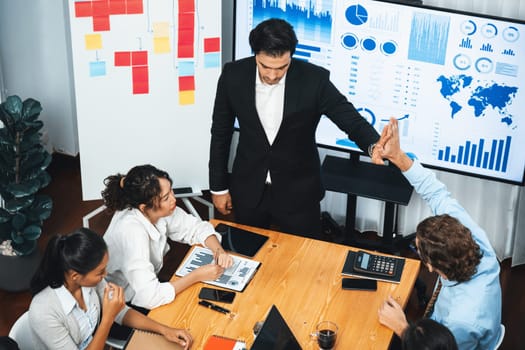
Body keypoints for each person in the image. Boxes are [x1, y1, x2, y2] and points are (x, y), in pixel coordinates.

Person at [209, 18, 386, 238]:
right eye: (265, 66)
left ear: (291, 56)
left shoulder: (315, 80)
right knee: (249, 253)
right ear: (255, 54)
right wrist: (218, 188)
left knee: (305, 259)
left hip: (299, 192)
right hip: (249, 189)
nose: (273, 75)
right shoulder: (232, 75)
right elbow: (220, 133)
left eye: (282, 67)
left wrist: (374, 145)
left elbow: (350, 120)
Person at [377, 118, 502, 349]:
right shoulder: (472, 237)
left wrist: (403, 328)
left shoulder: (461, 321)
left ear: (434, 268)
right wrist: (397, 156)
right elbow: (436, 194)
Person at [28, 228, 193, 350]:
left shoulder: (89, 282)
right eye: (100, 272)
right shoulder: (44, 311)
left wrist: (164, 330)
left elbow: (121, 312)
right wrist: (108, 317)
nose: (105, 275)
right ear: (75, 275)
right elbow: (112, 315)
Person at [102, 164, 233, 310]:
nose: (173, 199)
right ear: (144, 208)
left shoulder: (157, 208)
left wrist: (218, 250)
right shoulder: (131, 232)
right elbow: (148, 297)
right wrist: (196, 276)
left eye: (171, 190)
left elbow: (195, 228)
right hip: (123, 304)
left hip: (150, 285)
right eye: (166, 198)